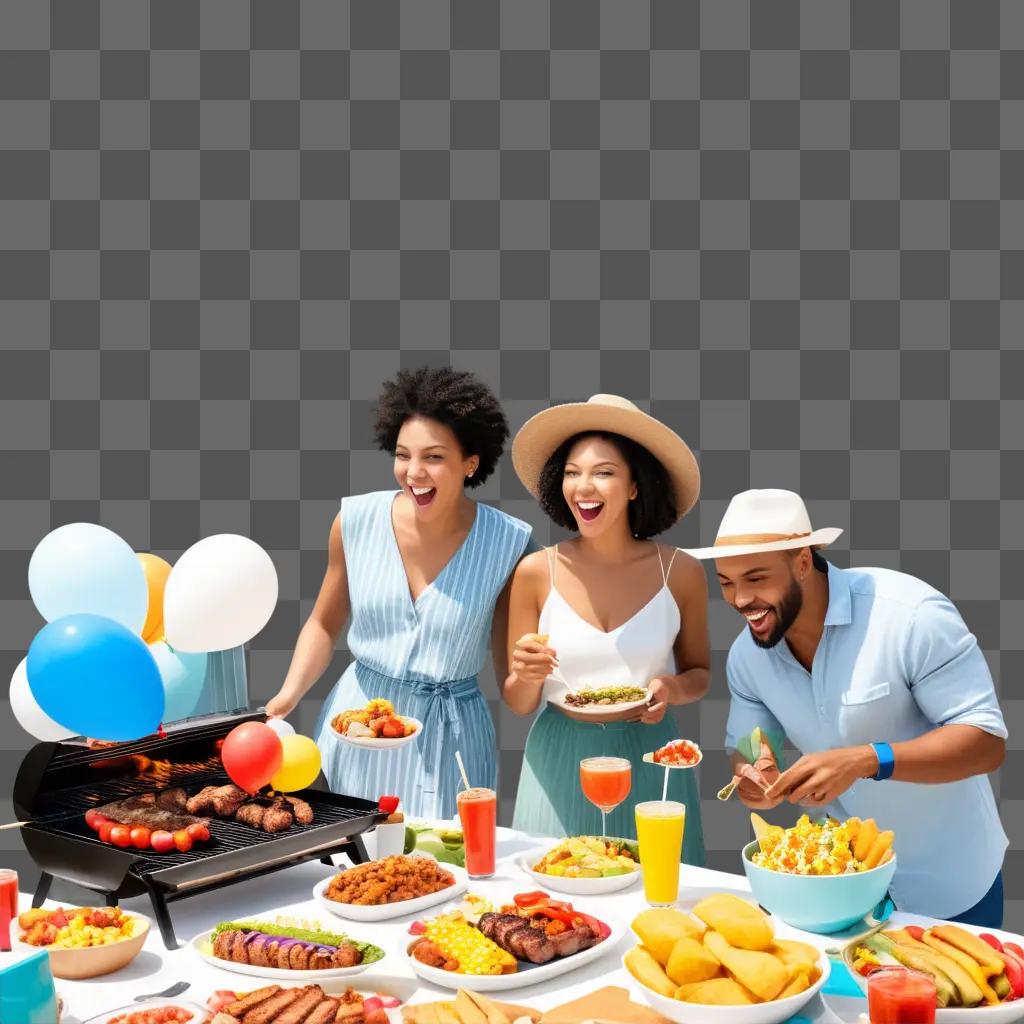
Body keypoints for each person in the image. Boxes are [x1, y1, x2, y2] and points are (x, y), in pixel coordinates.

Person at [686, 488, 1008, 926]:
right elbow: (752, 744)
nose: (740, 599)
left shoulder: (909, 616)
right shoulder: (746, 657)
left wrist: (866, 760)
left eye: (756, 578)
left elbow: (985, 744)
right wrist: (756, 771)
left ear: (802, 562)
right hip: (836, 890)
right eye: (726, 583)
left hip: (951, 885)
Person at [266, 366, 532, 820]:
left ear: (471, 462)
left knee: (448, 867)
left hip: (454, 738)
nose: (413, 473)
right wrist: (287, 696)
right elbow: (324, 622)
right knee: (349, 868)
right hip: (359, 726)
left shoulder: (510, 543)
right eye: (403, 455)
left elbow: (514, 686)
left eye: (433, 457)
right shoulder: (355, 522)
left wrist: (531, 670)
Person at [504, 394, 709, 862]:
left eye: (604, 472)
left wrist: (671, 688)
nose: (583, 486)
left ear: (635, 486)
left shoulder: (680, 571)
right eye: (572, 472)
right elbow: (518, 702)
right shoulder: (536, 571)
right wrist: (526, 674)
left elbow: (700, 672)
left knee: (660, 903)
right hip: (560, 754)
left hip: (651, 754)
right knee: (555, 904)